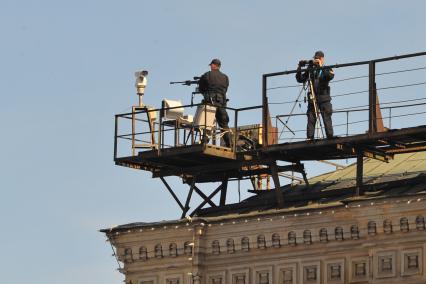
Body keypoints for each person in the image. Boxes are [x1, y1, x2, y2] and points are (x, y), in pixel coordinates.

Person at [296, 51, 334, 140]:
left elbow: (330, 76)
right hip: (313, 98)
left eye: (317, 58)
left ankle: (330, 136)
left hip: (324, 98)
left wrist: (321, 66)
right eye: (315, 58)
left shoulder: (327, 68)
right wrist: (299, 67)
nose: (315, 60)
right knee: (311, 117)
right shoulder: (311, 70)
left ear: (322, 59)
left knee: (326, 117)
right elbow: (300, 79)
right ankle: (310, 138)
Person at [198, 58, 232, 147]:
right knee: (224, 123)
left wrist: (206, 94)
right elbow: (225, 90)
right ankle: (230, 143)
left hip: (210, 102)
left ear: (213, 65)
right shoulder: (225, 77)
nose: (210, 67)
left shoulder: (207, 75)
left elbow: (201, 88)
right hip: (221, 103)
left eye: (211, 65)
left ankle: (204, 142)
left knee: (208, 122)